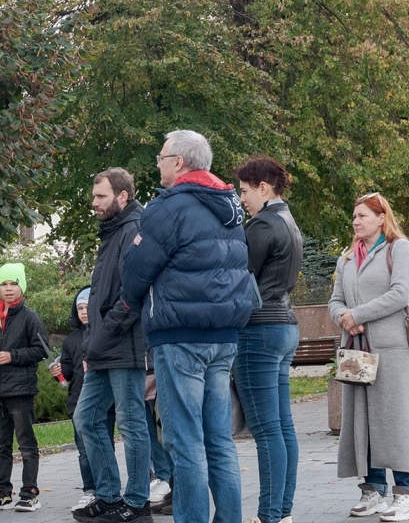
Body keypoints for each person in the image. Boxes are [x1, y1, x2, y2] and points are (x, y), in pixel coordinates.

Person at [121, 130, 260, 523]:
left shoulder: (169, 206)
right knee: (219, 439)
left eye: (162, 157)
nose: (158, 164)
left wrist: (131, 302)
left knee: (185, 442)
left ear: (179, 162)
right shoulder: (228, 206)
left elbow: (136, 268)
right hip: (223, 335)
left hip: (180, 334)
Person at [329, 192, 409, 523]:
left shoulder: (398, 248)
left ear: (380, 218)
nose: (355, 221)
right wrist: (344, 316)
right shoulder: (346, 258)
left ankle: (408, 495)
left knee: (398, 420)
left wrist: (358, 314)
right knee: (361, 421)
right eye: (354, 216)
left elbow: (400, 293)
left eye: (362, 215)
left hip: (392, 350)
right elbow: (334, 300)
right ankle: (373, 489)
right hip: (357, 350)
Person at [72, 167, 153, 523]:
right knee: (85, 417)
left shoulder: (133, 229)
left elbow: (132, 296)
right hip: (104, 345)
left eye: (101, 196)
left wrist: (101, 338)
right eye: (94, 196)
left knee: (132, 422)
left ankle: (137, 503)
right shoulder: (112, 231)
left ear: (122, 196)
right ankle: (108, 497)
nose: (94, 203)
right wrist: (94, 342)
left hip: (125, 344)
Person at [232, 156, 303, 523]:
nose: (241, 198)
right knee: (282, 425)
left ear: (263, 187)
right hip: (284, 326)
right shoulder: (290, 223)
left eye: (244, 191)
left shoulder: (261, 225)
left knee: (266, 429)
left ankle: (270, 515)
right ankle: (282, 512)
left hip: (259, 329)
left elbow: (240, 278)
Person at [0, 264, 49, 512]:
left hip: (21, 391)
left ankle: (30, 492)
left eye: (13, 283)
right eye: (4, 284)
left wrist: (13, 355)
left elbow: (41, 350)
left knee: (26, 443)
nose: (8, 289)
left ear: (22, 287)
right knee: (1, 444)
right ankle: (2, 491)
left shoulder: (31, 317)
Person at [53, 287, 118, 510]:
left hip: (104, 403)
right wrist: (59, 372)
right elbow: (67, 373)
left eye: (87, 307)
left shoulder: (103, 333)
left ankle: (107, 489)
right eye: (79, 308)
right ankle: (89, 489)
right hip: (78, 400)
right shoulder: (71, 340)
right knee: (83, 450)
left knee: (104, 444)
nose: (83, 312)